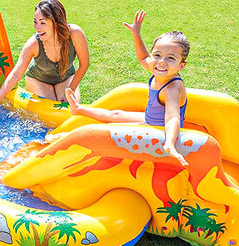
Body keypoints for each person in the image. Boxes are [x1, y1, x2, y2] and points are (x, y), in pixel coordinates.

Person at [65, 10, 189, 166]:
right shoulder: (160, 69)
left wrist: (169, 143)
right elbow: (143, 58)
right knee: (115, 114)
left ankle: (65, 139)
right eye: (157, 55)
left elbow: (172, 117)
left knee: (110, 128)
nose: (162, 61)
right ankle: (78, 109)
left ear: (181, 66)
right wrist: (136, 34)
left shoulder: (172, 89)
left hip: (158, 130)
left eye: (170, 58)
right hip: (150, 119)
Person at [0, 0, 90, 121]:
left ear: (56, 22)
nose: (37, 27)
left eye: (42, 23)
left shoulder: (74, 34)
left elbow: (84, 64)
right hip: (39, 80)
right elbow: (15, 74)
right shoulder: (33, 44)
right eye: (35, 22)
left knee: (69, 112)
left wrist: (70, 90)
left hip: (66, 78)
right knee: (51, 116)